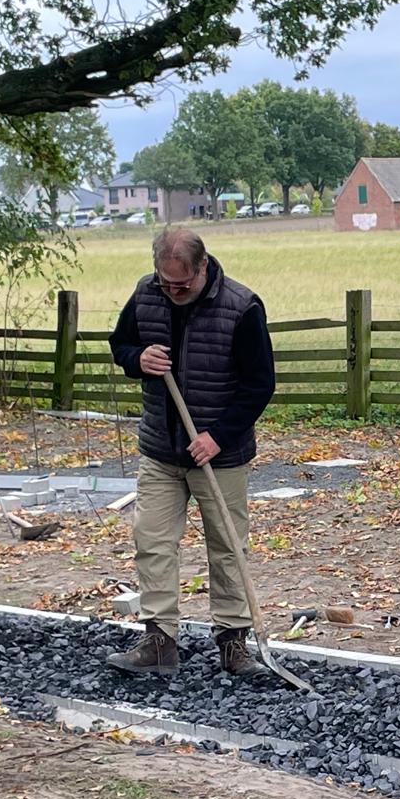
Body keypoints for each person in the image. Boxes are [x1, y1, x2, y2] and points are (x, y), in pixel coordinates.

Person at [106, 227, 276, 676]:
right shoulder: (147, 294)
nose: (174, 292)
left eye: (182, 284)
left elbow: (260, 385)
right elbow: (120, 345)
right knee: (152, 541)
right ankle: (159, 641)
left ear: (203, 266)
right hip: (160, 450)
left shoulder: (241, 307)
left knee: (227, 547)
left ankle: (233, 642)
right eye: (166, 283)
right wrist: (137, 359)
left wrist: (217, 435)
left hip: (220, 455)